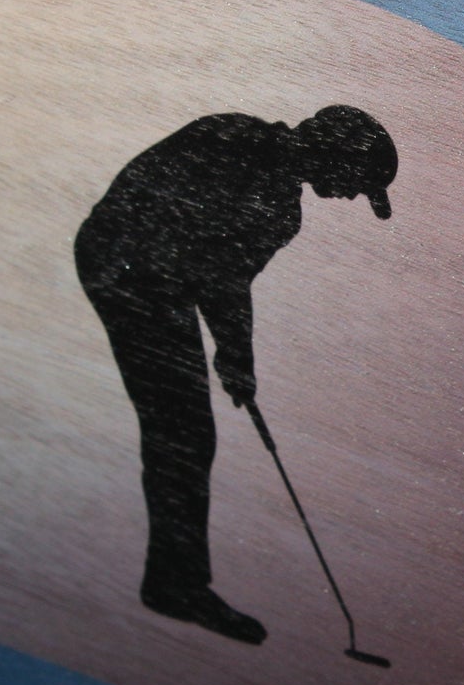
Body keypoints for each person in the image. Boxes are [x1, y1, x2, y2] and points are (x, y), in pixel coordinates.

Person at [75, 106, 398, 644]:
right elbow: (205, 265)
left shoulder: (277, 205)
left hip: (159, 278)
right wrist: (233, 357)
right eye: (355, 184)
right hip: (124, 264)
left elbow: (225, 278)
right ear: (336, 158)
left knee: (185, 435)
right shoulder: (232, 141)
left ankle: (174, 581)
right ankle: (175, 587)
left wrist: (233, 357)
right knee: (182, 434)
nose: (348, 197)